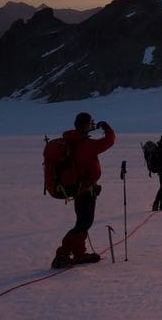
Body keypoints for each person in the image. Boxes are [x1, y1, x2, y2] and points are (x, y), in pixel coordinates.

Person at [51, 112, 115, 269]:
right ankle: (62, 253)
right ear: (85, 125)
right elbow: (109, 140)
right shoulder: (85, 145)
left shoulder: (72, 142)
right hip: (84, 190)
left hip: (79, 189)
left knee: (83, 222)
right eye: (90, 123)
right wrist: (106, 127)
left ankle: (79, 253)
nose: (93, 125)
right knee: (83, 223)